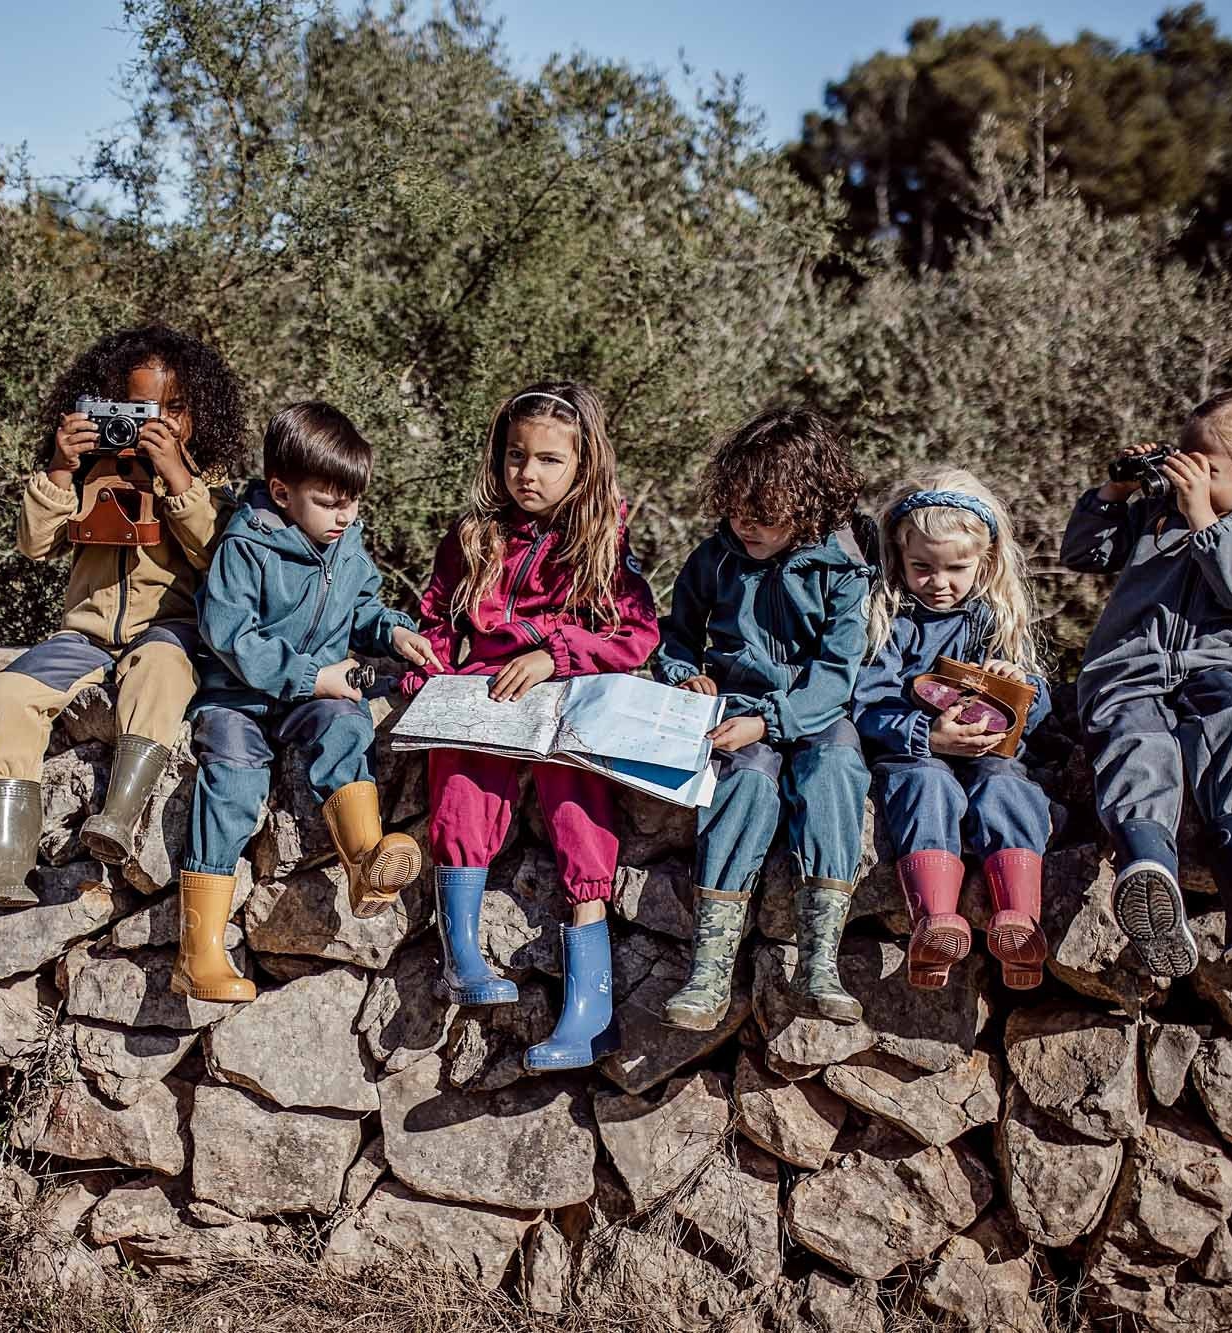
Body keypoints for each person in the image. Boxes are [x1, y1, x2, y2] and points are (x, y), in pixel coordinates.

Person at [0, 324, 246, 907]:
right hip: (86, 634)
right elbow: (36, 545)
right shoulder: (92, 471)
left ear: (201, 411)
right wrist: (59, 467)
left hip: (167, 629)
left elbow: (220, 557)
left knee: (160, 672)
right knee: (9, 694)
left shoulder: (210, 481)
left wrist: (177, 476)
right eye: (143, 409)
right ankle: (4, 860)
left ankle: (120, 816)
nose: (161, 423)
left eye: (176, 409)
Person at [404, 382, 658, 1072]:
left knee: (580, 806)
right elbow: (434, 615)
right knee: (460, 774)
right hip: (487, 692)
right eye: (517, 456)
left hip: (563, 695)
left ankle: (590, 1009)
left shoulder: (602, 540)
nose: (528, 473)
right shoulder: (471, 537)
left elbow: (636, 633)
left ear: (583, 466)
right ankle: (461, 952)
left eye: (549, 459)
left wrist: (558, 654)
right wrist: (424, 658)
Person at [1061, 387, 1232, 976]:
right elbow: (1083, 553)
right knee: (1140, 740)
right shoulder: (1153, 514)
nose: (1183, 473)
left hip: (1216, 669)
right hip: (1128, 669)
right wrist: (1116, 491)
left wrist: (1205, 519)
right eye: (1180, 457)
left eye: (1204, 467)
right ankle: (1148, 870)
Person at [173, 402, 441, 1002]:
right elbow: (229, 635)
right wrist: (312, 677)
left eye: (352, 502)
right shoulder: (245, 545)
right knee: (234, 786)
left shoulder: (345, 543)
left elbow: (362, 606)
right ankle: (199, 953)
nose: (344, 516)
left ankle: (366, 864)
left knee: (347, 725)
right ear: (281, 491)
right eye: (329, 502)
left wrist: (392, 631)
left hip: (313, 693)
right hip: (238, 697)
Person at [653, 407, 875, 1029]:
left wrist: (774, 720)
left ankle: (819, 964)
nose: (745, 523)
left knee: (835, 769)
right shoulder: (713, 560)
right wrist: (682, 676)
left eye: (766, 512)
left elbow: (838, 674)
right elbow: (673, 637)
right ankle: (709, 970)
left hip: (816, 713)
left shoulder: (843, 572)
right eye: (736, 507)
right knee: (744, 781)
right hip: (732, 710)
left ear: (808, 507)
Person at [852, 470, 1053, 990]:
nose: (939, 583)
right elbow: (866, 705)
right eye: (923, 567)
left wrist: (1019, 686)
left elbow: (1040, 708)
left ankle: (1019, 922)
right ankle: (934, 920)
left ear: (985, 561)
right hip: (916, 753)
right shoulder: (887, 618)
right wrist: (925, 737)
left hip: (990, 754)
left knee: (1007, 786)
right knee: (926, 785)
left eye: (957, 568)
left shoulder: (994, 619)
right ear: (899, 557)